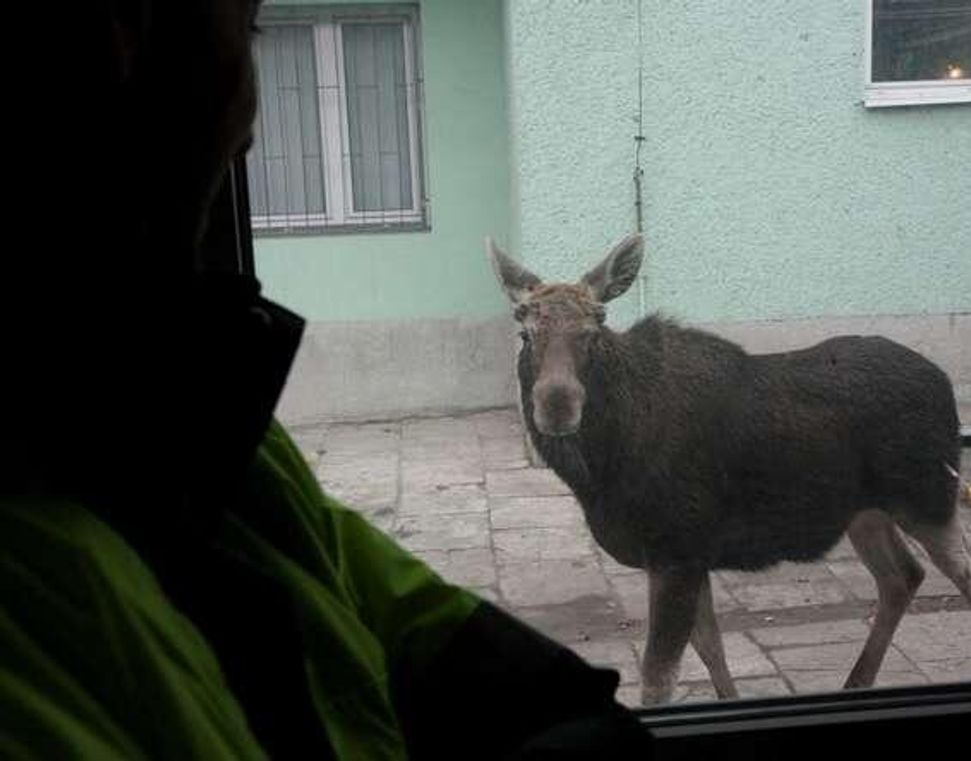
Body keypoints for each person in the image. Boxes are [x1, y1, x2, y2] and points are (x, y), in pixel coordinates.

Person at [0, 2, 653, 758]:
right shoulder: (205, 444)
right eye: (249, 35)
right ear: (126, 38)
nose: (249, 129)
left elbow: (459, 649)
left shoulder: (228, 453)